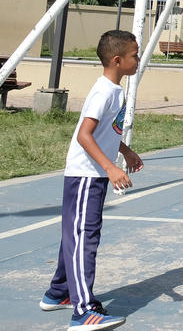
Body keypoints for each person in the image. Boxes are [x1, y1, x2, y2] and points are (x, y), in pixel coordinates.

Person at [40, 29, 143, 330]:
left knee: (76, 234)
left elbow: (106, 131)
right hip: (87, 175)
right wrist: (111, 168)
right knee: (84, 237)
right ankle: (83, 312)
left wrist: (125, 151)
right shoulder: (104, 91)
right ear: (117, 60)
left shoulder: (114, 90)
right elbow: (84, 135)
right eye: (134, 55)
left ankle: (59, 292)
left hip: (92, 174)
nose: (137, 60)